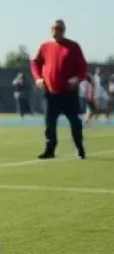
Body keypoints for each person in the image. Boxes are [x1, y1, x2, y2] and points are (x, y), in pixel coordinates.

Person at [30, 20, 88, 159]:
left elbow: (83, 67)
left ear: (64, 30)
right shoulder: (45, 46)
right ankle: (50, 150)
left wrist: (77, 78)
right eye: (54, 29)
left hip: (68, 93)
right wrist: (38, 78)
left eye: (59, 29)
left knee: (75, 122)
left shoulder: (73, 47)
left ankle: (79, 148)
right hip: (50, 93)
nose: (56, 31)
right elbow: (35, 63)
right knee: (49, 123)